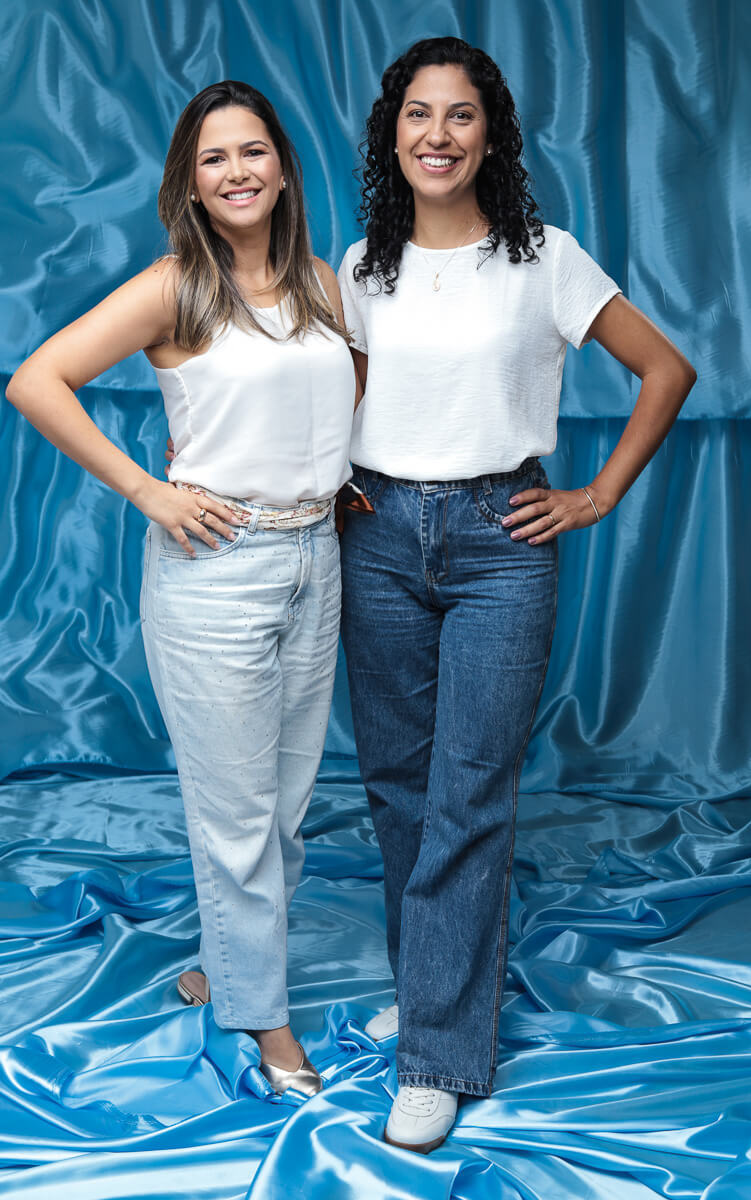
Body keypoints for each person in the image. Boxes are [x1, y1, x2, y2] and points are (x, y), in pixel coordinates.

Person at [336, 36, 696, 1152]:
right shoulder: (360, 268)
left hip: (501, 537)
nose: (435, 136)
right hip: (379, 533)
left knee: (467, 792)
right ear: (389, 135)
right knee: (396, 785)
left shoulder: (543, 257)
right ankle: (439, 985)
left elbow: (664, 369)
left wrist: (590, 497)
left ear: (489, 136)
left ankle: (439, 1052)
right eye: (416, 116)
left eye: (459, 116)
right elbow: (340, 399)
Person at [6, 80, 357, 1097]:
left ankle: (227, 968)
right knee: (236, 814)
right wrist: (150, 491)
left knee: (284, 810)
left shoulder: (322, 285)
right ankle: (265, 1020)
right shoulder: (176, 287)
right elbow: (36, 379)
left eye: (252, 152)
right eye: (212, 160)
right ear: (190, 185)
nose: (236, 172)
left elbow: (342, 402)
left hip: (315, 559)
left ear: (282, 168)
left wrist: (340, 483)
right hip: (217, 573)